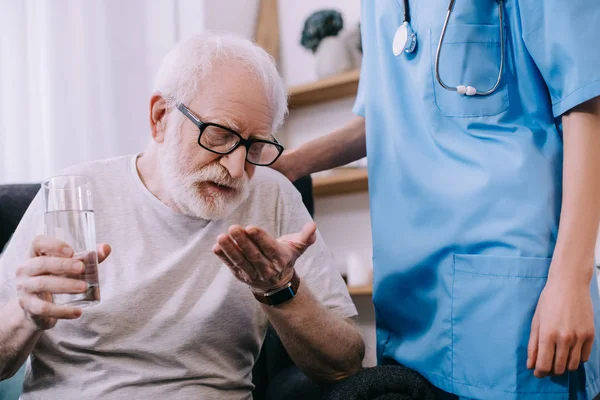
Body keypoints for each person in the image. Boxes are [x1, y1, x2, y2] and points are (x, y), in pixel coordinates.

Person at [0, 34, 365, 399]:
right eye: (220, 135)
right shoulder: (74, 194)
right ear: (160, 118)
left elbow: (345, 364)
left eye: (255, 146)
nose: (238, 169)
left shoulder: (272, 194)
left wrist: (280, 289)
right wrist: (26, 313)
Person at [272, 0, 600, 399]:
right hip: (410, 294)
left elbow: (585, 103)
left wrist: (571, 279)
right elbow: (381, 117)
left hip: (509, 293)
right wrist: (284, 166)